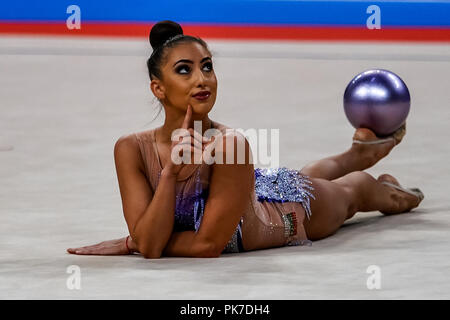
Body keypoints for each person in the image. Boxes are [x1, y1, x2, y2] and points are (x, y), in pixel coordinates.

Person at [67, 21, 424, 259]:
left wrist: (139, 241)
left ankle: (386, 180)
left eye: (207, 66)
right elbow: (151, 244)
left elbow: (206, 245)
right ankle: (357, 153)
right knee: (309, 173)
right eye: (184, 70)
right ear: (157, 88)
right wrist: (170, 175)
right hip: (253, 190)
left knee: (354, 192)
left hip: (289, 213)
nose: (201, 79)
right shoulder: (130, 149)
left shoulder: (230, 145)